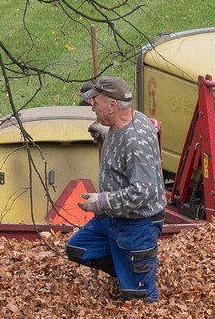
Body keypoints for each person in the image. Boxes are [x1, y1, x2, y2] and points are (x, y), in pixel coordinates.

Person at [67, 75, 167, 302]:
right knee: (79, 248)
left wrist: (102, 201)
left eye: (96, 102)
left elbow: (144, 192)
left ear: (112, 105)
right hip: (112, 219)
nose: (92, 107)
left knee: (138, 299)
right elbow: (120, 137)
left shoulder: (135, 140)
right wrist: (105, 132)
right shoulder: (126, 121)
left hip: (137, 226)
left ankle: (135, 271)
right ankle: (126, 268)